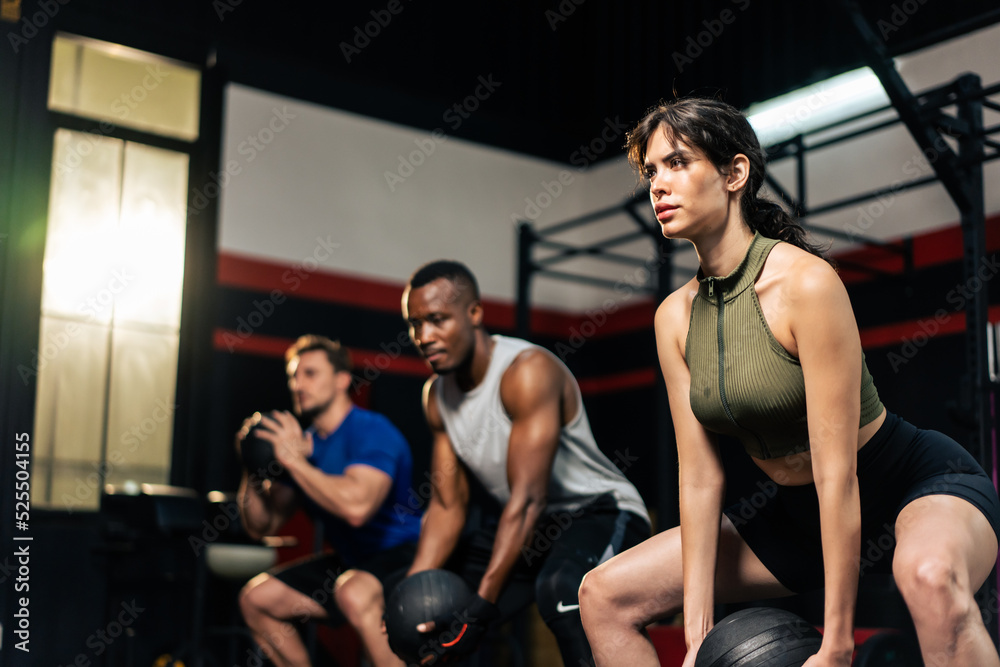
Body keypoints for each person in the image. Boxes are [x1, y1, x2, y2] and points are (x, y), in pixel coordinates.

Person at [577, 97, 1000, 667]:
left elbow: (836, 472)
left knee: (929, 579)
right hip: (796, 517)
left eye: (678, 163)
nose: (658, 185)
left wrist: (837, 642)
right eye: (651, 171)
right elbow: (700, 478)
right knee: (602, 594)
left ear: (735, 173)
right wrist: (697, 632)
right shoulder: (674, 319)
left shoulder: (805, 284)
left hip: (909, 481)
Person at [399, 260, 651, 666]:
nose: (424, 336)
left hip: (601, 511)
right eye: (414, 325)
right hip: (535, 526)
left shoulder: (526, 371)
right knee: (432, 611)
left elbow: (528, 499)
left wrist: (480, 609)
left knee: (562, 591)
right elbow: (447, 507)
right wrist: (411, 595)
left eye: (437, 320)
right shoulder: (436, 396)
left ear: (474, 313)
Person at [237, 334, 422, 667]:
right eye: (293, 375)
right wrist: (252, 469)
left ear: (341, 380)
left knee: (353, 590)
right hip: (351, 564)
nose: (298, 384)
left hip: (404, 558)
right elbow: (262, 525)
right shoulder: (304, 444)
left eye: (310, 374)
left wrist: (295, 462)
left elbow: (357, 510)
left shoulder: (371, 431)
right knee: (256, 598)